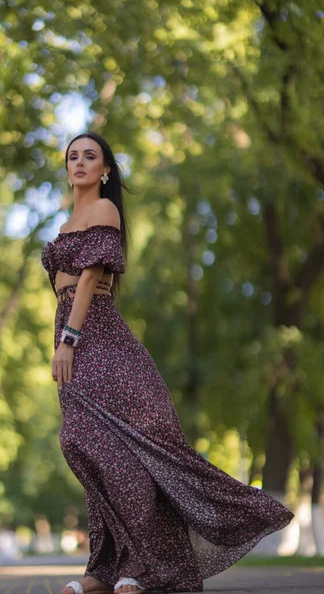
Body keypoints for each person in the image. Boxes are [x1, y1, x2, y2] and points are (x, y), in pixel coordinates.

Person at [41, 132, 294, 594]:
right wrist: (62, 339)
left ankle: (143, 568)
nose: (79, 163)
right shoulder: (67, 223)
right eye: (72, 156)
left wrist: (69, 339)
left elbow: (92, 276)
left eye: (89, 156)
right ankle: (103, 569)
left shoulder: (104, 210)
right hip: (73, 340)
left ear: (106, 170)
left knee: (114, 451)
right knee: (85, 447)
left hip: (98, 341)